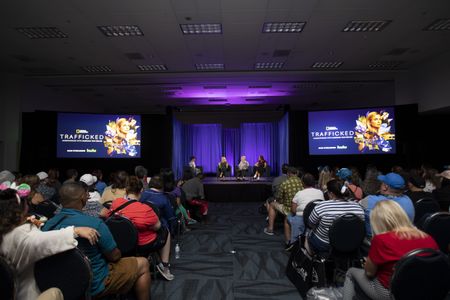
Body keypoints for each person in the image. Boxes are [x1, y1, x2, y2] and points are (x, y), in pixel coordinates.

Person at [42, 182, 151, 299]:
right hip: (94, 283)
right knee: (143, 263)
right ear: (83, 198)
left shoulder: (48, 225)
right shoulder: (94, 223)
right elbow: (114, 256)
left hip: (61, 283)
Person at [0, 185, 99, 300]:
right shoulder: (21, 235)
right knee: (55, 292)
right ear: (21, 209)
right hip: (24, 294)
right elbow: (41, 241)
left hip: (10, 290)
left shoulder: (6, 231)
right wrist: (74, 231)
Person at [342, 200, 439, 300]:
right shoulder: (427, 237)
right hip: (425, 289)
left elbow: (369, 273)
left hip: (391, 292)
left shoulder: (381, 240)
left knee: (351, 272)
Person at [108, 176, 174, 281]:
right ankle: (165, 266)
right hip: (141, 245)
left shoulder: (116, 203)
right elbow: (157, 227)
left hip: (120, 242)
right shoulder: (145, 209)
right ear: (142, 190)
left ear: (126, 189)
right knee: (165, 230)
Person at [306, 179, 365, 254]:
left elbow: (310, 223)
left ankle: (309, 259)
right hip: (351, 243)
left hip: (326, 244)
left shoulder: (322, 206)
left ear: (331, 193)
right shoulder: (358, 207)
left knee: (307, 234)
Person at [360, 172, 414, 238]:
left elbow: (356, 208)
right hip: (403, 239)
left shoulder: (370, 200)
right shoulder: (408, 200)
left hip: (375, 242)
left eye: (382, 183)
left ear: (385, 187)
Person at [264, 167, 303, 249]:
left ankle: (270, 228)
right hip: (300, 207)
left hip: (288, 209)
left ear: (288, 174)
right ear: (296, 173)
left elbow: (278, 198)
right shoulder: (302, 182)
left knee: (272, 204)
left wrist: (280, 201)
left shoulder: (285, 183)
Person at [288, 173, 324, 245]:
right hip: (316, 219)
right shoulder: (320, 192)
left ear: (303, 183)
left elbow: (293, 210)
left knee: (288, 217)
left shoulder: (299, 193)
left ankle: (291, 244)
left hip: (301, 218)